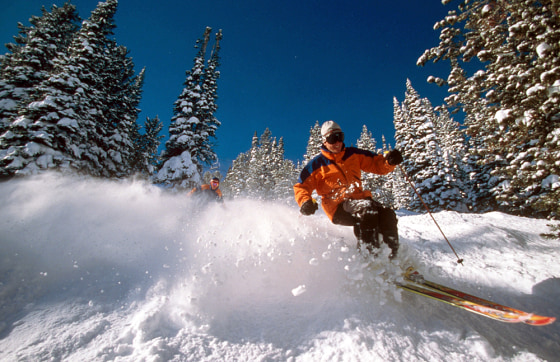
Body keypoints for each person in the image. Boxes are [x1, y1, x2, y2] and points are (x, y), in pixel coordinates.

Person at [293, 120, 403, 259]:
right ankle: (369, 258)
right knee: (367, 210)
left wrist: (389, 161)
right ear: (325, 141)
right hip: (337, 207)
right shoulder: (317, 164)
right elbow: (301, 186)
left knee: (387, 215)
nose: (338, 143)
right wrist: (305, 201)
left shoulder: (353, 155)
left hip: (360, 200)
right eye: (333, 139)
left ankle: (392, 258)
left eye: (340, 137)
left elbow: (377, 164)